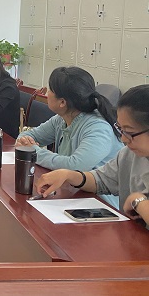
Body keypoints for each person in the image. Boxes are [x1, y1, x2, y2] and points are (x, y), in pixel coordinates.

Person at [35, 85, 149, 229]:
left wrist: (138, 202)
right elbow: (101, 180)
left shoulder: (97, 127)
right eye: (121, 129)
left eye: (130, 132)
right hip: (130, 236)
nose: (124, 139)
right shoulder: (129, 155)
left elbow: (137, 201)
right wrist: (69, 175)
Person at [15, 67, 121, 171]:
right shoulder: (61, 118)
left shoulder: (98, 128)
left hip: (94, 183)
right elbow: (27, 136)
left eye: (50, 90)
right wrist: (25, 143)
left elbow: (75, 166)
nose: (47, 93)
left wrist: (33, 151)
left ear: (62, 102)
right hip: (68, 182)